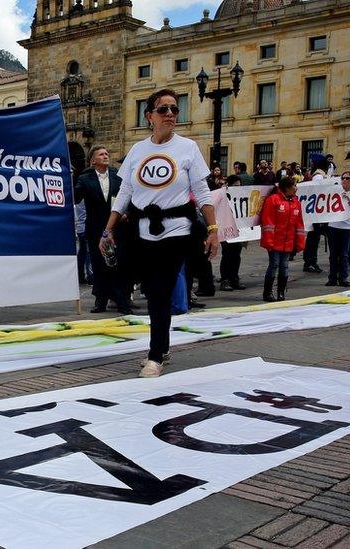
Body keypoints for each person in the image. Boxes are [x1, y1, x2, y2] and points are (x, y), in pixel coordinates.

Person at [100, 89, 217, 377]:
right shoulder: (138, 151)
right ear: (149, 115)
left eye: (175, 110)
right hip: (140, 233)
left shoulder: (187, 148)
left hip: (176, 231)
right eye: (163, 109)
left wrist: (213, 229)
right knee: (150, 290)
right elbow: (125, 191)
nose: (170, 115)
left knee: (160, 291)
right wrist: (108, 230)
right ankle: (162, 345)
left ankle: (155, 355)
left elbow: (202, 193)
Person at [75, 146, 131, 314]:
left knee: (118, 264)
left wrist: (126, 214)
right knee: (99, 264)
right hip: (95, 229)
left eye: (107, 153)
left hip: (117, 228)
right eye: (101, 154)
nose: (106, 156)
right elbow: (76, 198)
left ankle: (122, 300)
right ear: (93, 160)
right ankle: (101, 300)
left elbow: (128, 197)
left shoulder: (117, 176)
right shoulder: (85, 179)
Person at [260, 177, 306, 302]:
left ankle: (281, 292)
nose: (296, 188)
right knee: (274, 265)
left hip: (288, 241)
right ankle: (268, 292)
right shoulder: (273, 200)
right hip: (275, 241)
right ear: (287, 187)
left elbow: (299, 224)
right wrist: (269, 241)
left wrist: (300, 242)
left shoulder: (296, 201)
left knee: (284, 266)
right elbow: (267, 221)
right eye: (294, 185)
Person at [325, 172, 350, 287]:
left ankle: (343, 278)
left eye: (347, 178)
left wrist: (349, 199)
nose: (344, 180)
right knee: (333, 254)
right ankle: (332, 277)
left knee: (343, 254)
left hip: (347, 227)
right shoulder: (335, 191)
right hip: (333, 225)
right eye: (343, 178)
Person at [301, 155, 330, 273]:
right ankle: (310, 262)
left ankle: (311, 261)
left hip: (318, 210)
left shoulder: (320, 174)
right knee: (313, 237)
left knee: (314, 237)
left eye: (312, 162)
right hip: (317, 211)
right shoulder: (318, 176)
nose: (311, 164)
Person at [219, 174, 247, 291]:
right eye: (235, 186)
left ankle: (234, 278)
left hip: (238, 229)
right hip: (226, 229)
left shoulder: (242, 196)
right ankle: (225, 280)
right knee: (227, 254)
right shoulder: (222, 196)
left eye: (239, 186)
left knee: (236, 255)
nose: (238, 188)